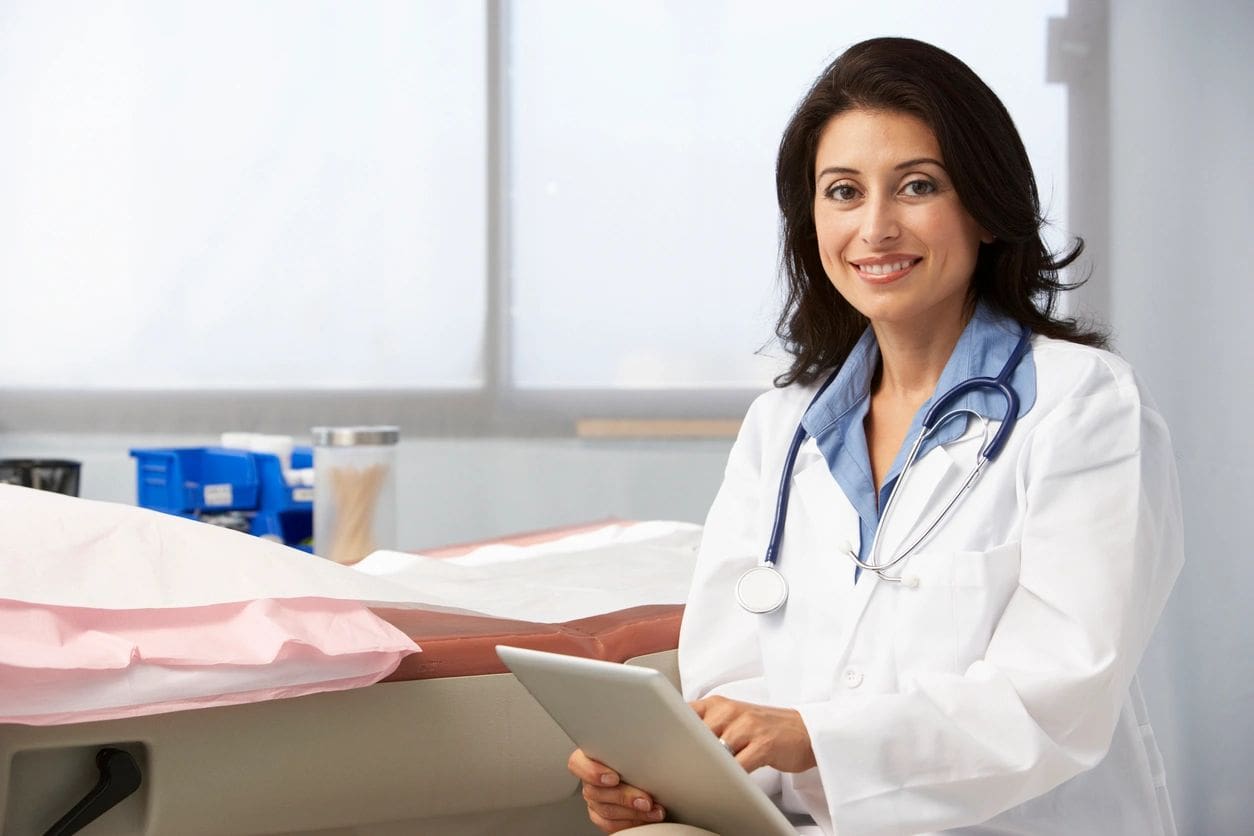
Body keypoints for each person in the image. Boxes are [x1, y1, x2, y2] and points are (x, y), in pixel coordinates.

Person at [568, 36, 1182, 835]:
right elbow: (731, 680)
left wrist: (817, 737)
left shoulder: (1083, 405)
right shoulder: (781, 429)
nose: (876, 228)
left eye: (917, 186)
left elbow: (1057, 696)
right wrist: (668, 779)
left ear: (986, 207)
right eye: (844, 192)